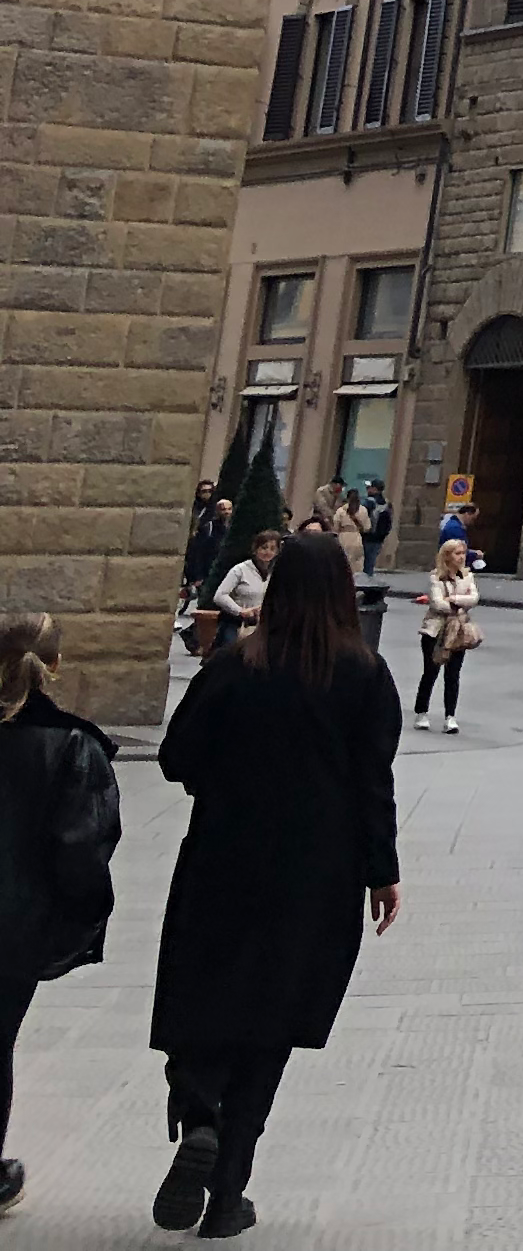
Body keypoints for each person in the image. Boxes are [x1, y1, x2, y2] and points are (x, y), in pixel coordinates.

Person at [148, 535, 400, 1239]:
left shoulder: (235, 667)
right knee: (271, 1022)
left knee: (205, 994)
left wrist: (224, 781)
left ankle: (199, 1112)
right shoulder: (364, 674)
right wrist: (382, 871)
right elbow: (373, 781)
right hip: (317, 871)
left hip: (224, 857)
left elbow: (175, 757)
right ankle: (228, 1193)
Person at [0, 613, 121, 1221]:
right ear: (55, 666)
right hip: (15, 924)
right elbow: (83, 845)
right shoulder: (72, 745)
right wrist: (78, 916)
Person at [410, 541, 480, 733]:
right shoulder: (436, 577)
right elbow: (437, 603)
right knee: (430, 672)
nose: (461, 557)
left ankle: (450, 717)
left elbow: (474, 598)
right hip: (435, 630)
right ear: (447, 555)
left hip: (457, 630)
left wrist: (454, 599)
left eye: (463, 553)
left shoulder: (467, 576)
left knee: (453, 674)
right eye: (457, 553)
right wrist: (460, 604)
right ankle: (421, 712)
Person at [213, 530, 277, 652]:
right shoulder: (240, 570)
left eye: (272, 549)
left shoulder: (275, 573)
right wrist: (240, 611)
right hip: (235, 624)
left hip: (261, 626)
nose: (268, 552)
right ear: (256, 549)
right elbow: (220, 596)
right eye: (264, 548)